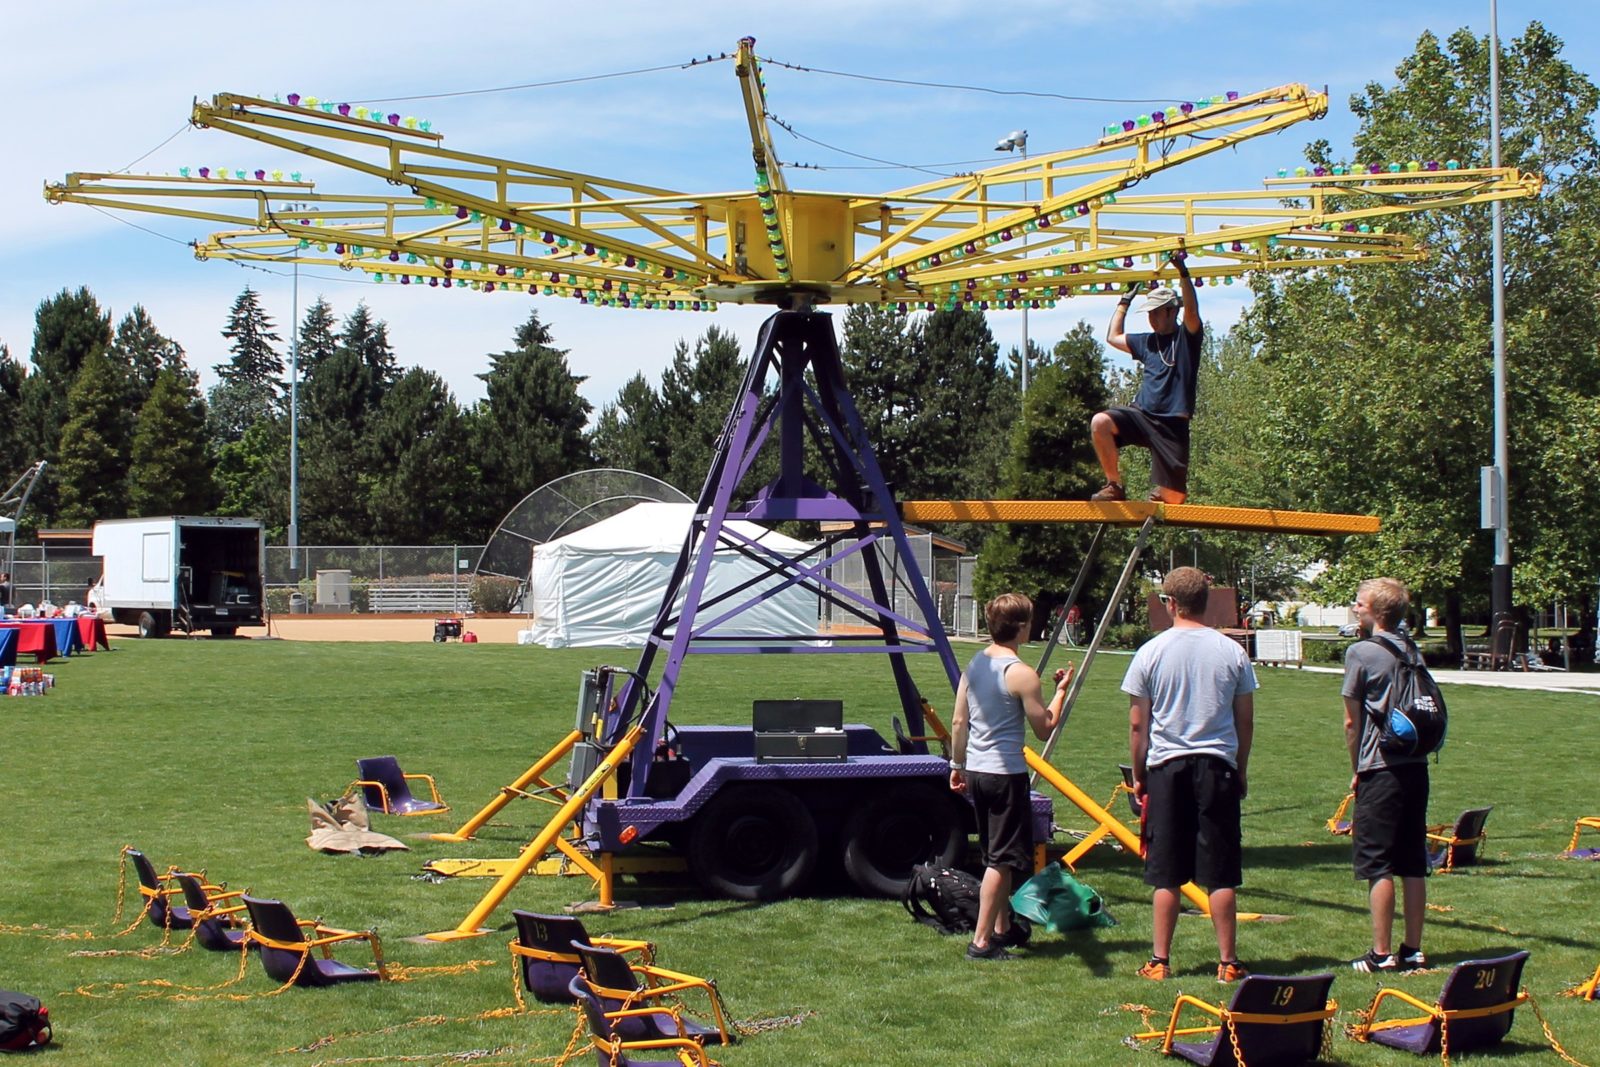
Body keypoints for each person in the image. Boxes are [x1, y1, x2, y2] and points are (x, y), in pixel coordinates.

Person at [1124, 567, 1257, 982]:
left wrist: (1140, 773)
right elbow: (1245, 720)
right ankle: (1228, 961)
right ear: (1207, 601)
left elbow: (1137, 724)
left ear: (1170, 604)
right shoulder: (1232, 652)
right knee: (1220, 868)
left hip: (1167, 767)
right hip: (1217, 765)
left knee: (1166, 869)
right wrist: (1241, 767)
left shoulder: (1151, 651)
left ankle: (1160, 961)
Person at [948, 592, 1070, 961]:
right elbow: (1044, 727)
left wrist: (956, 766)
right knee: (1000, 862)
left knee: (993, 855)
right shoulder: (1020, 673)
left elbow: (958, 721)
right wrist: (1062, 691)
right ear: (1019, 626)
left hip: (978, 771)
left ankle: (1003, 929)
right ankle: (981, 942)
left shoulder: (975, 665)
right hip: (1005, 775)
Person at [1342, 577, 1429, 973]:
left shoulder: (1361, 652)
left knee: (1377, 861)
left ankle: (1380, 953)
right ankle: (1413, 949)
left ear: (1376, 613)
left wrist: (1356, 768)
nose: (1355, 608)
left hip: (1381, 766)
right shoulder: (1412, 648)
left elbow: (1351, 721)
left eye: (1359, 604)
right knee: (1412, 860)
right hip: (1416, 765)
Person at [1091, 252, 1203, 504]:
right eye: (1149, 313)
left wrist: (1183, 273)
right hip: (1142, 415)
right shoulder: (1147, 342)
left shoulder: (1186, 339)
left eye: (1156, 313)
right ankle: (1114, 485)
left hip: (1172, 425)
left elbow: (1193, 313)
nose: (1151, 318)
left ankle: (1166, 492)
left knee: (1173, 499)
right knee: (1100, 422)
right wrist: (1123, 303)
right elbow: (1113, 337)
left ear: (1171, 311)